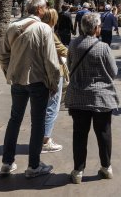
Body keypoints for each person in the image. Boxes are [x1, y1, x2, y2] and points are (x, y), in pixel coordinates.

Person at [0, 0, 61, 178]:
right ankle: (34, 166)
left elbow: (3, 56)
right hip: (38, 82)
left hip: (17, 81)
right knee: (38, 122)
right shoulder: (44, 29)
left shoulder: (12, 27)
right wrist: (54, 83)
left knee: (14, 120)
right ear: (40, 9)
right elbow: (50, 60)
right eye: (45, 6)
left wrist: (11, 73)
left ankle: (7, 163)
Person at [65, 12, 119, 184]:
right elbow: (114, 72)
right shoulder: (103, 47)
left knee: (79, 134)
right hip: (101, 98)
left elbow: (69, 65)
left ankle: (78, 171)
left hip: (78, 97)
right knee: (103, 133)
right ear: (96, 28)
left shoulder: (73, 44)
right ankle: (106, 167)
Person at [40, 8, 69, 154]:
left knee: (43, 106)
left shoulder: (39, 30)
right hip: (54, 72)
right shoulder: (49, 32)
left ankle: (40, 138)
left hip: (40, 72)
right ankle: (45, 140)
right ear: (53, 19)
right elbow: (63, 50)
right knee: (53, 106)